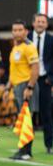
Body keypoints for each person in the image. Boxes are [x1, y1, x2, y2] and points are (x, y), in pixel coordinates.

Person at [4, 20, 39, 161]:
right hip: (17, 86)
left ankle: (26, 151)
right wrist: (8, 88)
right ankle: (23, 149)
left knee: (26, 120)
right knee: (21, 119)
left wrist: (30, 87)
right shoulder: (14, 48)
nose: (17, 32)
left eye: (20, 30)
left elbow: (35, 69)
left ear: (26, 31)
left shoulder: (29, 47)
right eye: (15, 30)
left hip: (26, 85)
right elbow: (13, 72)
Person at [28, 13, 53, 154]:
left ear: (46, 24)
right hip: (30, 79)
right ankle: (26, 145)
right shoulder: (27, 39)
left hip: (45, 80)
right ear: (33, 23)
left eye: (43, 22)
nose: (40, 24)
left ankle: (49, 145)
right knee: (28, 113)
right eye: (38, 21)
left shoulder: (51, 40)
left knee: (46, 114)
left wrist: (51, 78)